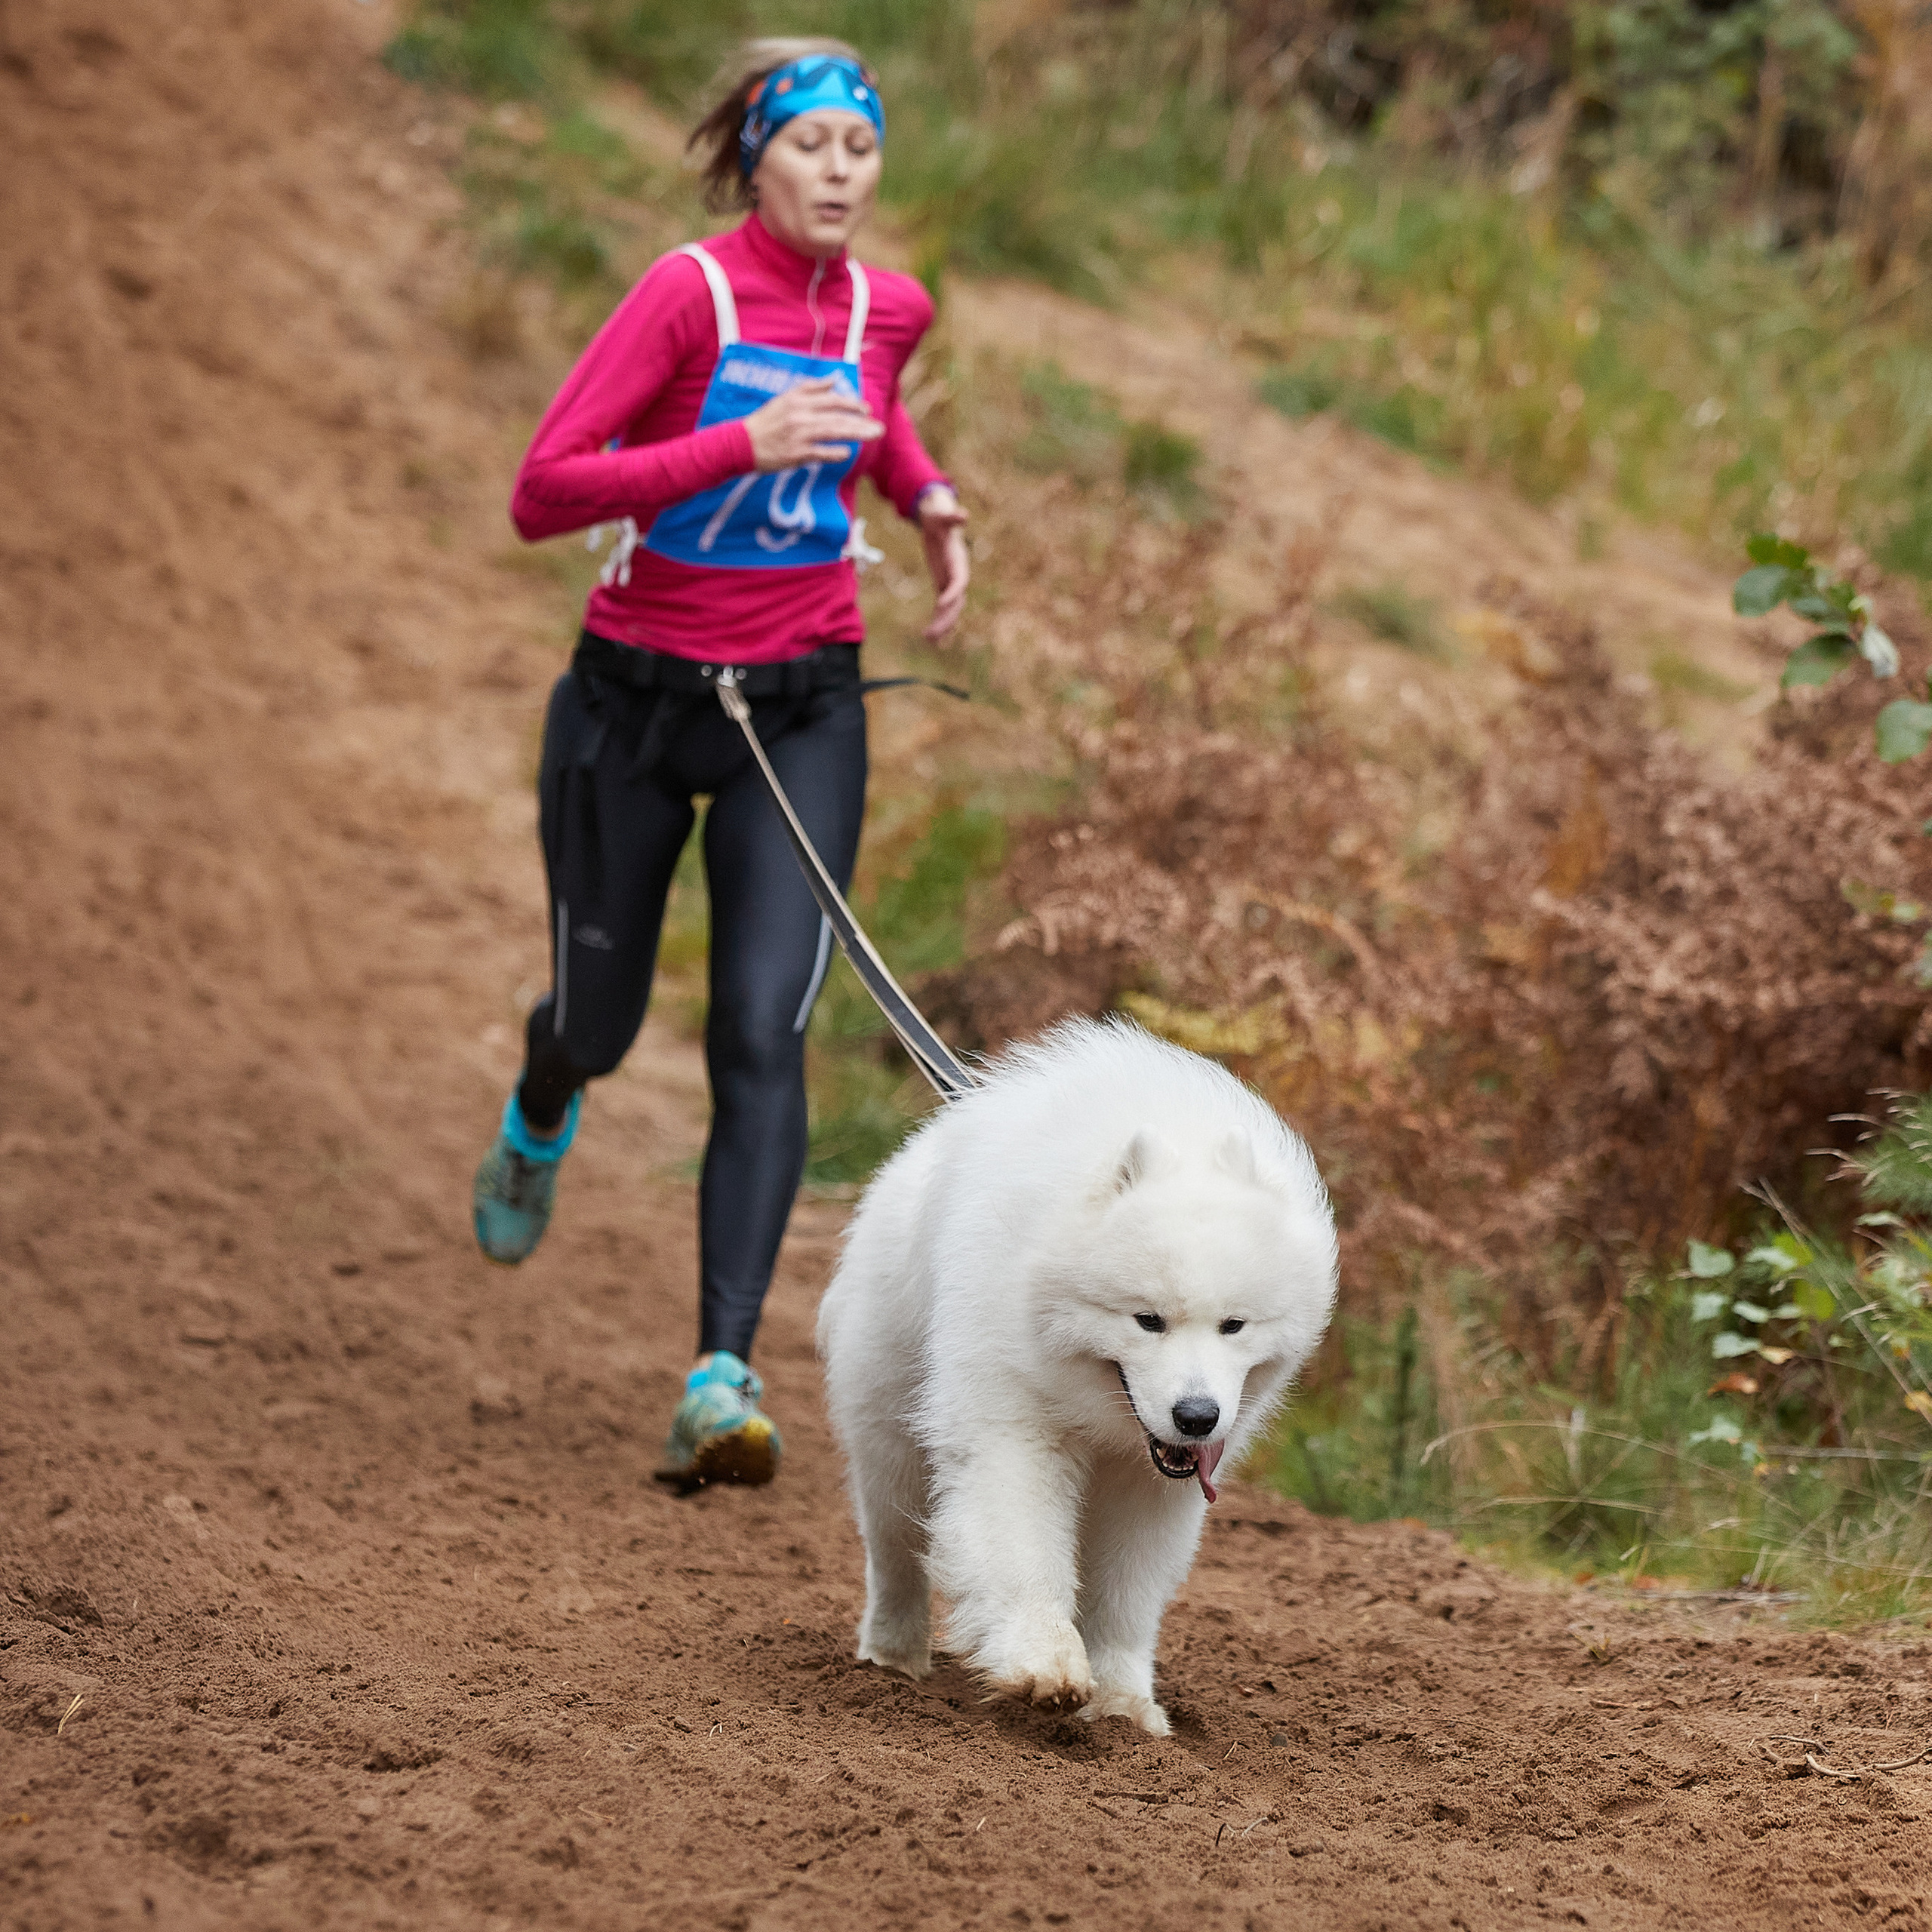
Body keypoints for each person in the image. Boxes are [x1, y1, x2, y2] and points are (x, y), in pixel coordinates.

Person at [470, 38, 968, 1491]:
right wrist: (734, 444)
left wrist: (926, 497)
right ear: (756, 156)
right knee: (606, 1023)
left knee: (762, 1031)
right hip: (634, 706)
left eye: (861, 151)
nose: (840, 173)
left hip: (801, 706)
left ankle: (720, 1376)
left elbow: (872, 411)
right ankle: (545, 1092)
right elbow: (541, 490)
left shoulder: (893, 308)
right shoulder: (684, 296)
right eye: (811, 145)